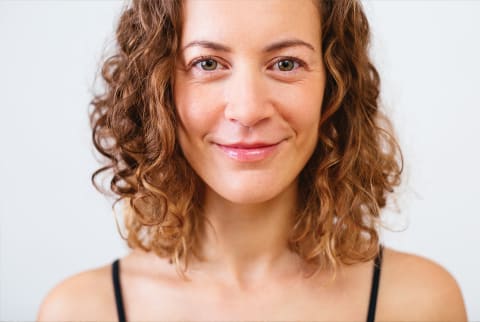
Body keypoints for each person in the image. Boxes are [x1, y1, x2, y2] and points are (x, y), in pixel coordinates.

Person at [38, 0, 467, 321]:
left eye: (285, 63)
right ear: (157, 89)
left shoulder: (420, 303)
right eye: (207, 63)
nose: (247, 109)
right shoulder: (79, 311)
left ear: (335, 89)